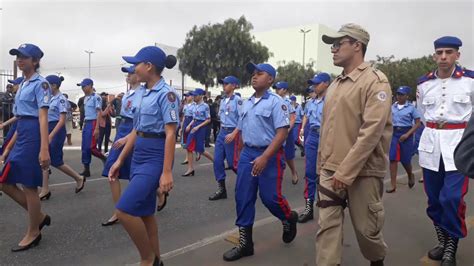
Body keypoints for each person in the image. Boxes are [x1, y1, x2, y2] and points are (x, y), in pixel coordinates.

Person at [316, 24, 391, 266]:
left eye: (339, 44)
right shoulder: (335, 85)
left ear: (357, 45)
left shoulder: (375, 82)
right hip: (330, 169)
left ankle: (377, 261)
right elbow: (327, 128)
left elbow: (371, 132)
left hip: (363, 171)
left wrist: (346, 172)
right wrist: (322, 167)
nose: (333, 49)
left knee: (367, 231)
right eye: (332, 45)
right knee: (326, 229)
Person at [109, 45, 179, 266]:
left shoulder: (166, 95)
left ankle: (148, 259)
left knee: (124, 211)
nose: (133, 68)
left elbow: (170, 134)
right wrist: (120, 160)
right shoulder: (144, 93)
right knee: (147, 215)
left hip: (155, 155)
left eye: (136, 64)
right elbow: (136, 130)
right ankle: (156, 259)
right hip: (139, 152)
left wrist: (166, 172)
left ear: (149, 66)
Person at [223, 62, 298, 261]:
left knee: (270, 198)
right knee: (243, 196)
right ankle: (245, 243)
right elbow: (242, 130)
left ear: (270, 79)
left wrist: (265, 157)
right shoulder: (247, 102)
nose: (254, 77)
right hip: (248, 154)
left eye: (260, 73)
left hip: (270, 155)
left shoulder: (276, 102)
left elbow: (282, 133)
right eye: (253, 74)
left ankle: (288, 217)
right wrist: (239, 156)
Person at [416, 36, 473, 266]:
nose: (443, 57)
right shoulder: (424, 84)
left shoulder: (470, 81)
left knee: (451, 198)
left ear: (457, 55)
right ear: (434, 55)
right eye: (439, 52)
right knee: (434, 201)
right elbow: (422, 114)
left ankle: (452, 245)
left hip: (459, 147)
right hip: (431, 146)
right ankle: (443, 241)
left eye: (449, 52)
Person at [0, 43, 52, 251]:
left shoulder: (42, 84)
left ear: (35, 61)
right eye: (18, 56)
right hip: (22, 131)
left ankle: (34, 230)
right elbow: (21, 116)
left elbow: (42, 116)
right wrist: (9, 145)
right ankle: (38, 216)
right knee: (5, 181)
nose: (20, 59)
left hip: (33, 134)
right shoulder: (23, 84)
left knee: (29, 186)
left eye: (24, 56)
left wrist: (44, 148)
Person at [101, 66, 139, 226]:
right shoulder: (127, 94)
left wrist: (128, 137)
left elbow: (141, 122)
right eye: (127, 74)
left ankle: (158, 192)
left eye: (130, 73)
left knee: (134, 173)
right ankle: (119, 211)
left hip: (133, 130)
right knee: (112, 170)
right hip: (122, 127)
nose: (127, 77)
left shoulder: (143, 94)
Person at [38, 75, 85, 200]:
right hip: (48, 128)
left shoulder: (61, 99)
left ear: (53, 85)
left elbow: (62, 120)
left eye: (47, 85)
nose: (45, 87)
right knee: (44, 159)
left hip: (56, 131)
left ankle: (78, 178)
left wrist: (51, 135)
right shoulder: (49, 98)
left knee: (55, 160)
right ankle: (45, 189)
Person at [298, 72, 330, 223]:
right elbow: (306, 116)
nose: (314, 86)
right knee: (310, 172)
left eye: (317, 83)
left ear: (326, 83)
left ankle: (327, 205)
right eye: (313, 84)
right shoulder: (311, 102)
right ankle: (309, 207)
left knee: (326, 173)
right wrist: (304, 130)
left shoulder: (333, 101)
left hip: (327, 137)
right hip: (313, 136)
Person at [208, 76, 241, 201]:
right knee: (217, 161)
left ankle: (249, 181)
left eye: (226, 84)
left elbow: (242, 119)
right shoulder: (223, 101)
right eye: (223, 83)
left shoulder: (237, 100)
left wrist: (234, 134)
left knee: (233, 164)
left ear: (233, 85)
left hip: (232, 132)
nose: (224, 85)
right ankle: (222, 189)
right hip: (222, 132)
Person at [385, 86, 421, 193]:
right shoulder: (392, 107)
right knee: (393, 159)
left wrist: (407, 134)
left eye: (401, 94)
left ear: (407, 96)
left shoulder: (411, 108)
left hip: (406, 134)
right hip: (395, 134)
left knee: (405, 160)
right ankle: (393, 184)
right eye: (398, 94)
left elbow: (418, 123)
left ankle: (410, 174)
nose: (399, 96)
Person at [77, 78, 106, 177]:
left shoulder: (96, 97)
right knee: (85, 148)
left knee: (91, 147)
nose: (82, 88)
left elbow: (99, 113)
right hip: (87, 123)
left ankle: (104, 158)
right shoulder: (85, 98)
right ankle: (86, 169)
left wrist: (97, 128)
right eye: (81, 86)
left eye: (84, 86)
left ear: (90, 85)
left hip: (94, 123)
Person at [182, 88, 214, 176]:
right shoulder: (195, 105)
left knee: (200, 149)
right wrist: (189, 125)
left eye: (195, 95)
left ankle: (215, 162)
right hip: (194, 125)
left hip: (201, 127)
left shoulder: (205, 106)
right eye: (193, 95)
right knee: (188, 146)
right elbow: (194, 118)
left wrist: (198, 127)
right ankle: (190, 169)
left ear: (201, 96)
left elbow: (208, 120)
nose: (194, 97)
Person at [273, 81, 299, 185]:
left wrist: (287, 130)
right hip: (276, 130)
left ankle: (293, 171)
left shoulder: (287, 102)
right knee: (275, 153)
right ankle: (277, 176)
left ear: (284, 90)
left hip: (287, 131)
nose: (276, 90)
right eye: (276, 88)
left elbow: (293, 118)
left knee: (288, 155)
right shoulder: (273, 100)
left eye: (279, 89)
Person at [179, 92, 195, 165]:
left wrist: (190, 125)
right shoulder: (185, 106)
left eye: (188, 96)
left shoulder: (195, 105)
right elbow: (184, 117)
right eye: (186, 96)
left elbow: (195, 117)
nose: (186, 98)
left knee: (192, 141)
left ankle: (199, 152)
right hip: (186, 122)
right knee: (185, 141)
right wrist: (181, 127)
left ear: (192, 97)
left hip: (191, 122)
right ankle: (187, 158)